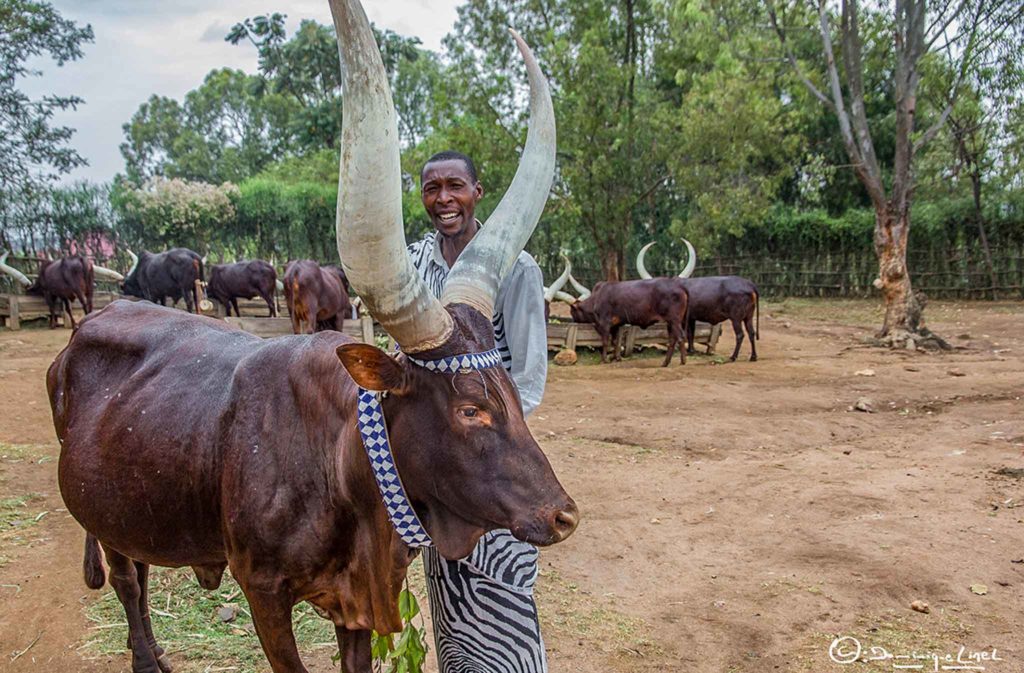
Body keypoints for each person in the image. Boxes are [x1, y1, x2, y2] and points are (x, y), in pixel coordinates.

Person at [407, 150, 549, 673]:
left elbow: (529, 377)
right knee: (445, 573)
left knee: (505, 574)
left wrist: (493, 434)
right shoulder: (413, 265)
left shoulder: (516, 266)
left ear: (477, 192)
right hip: (440, 455)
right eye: (431, 189)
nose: (444, 199)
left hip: (497, 451)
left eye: (455, 186)